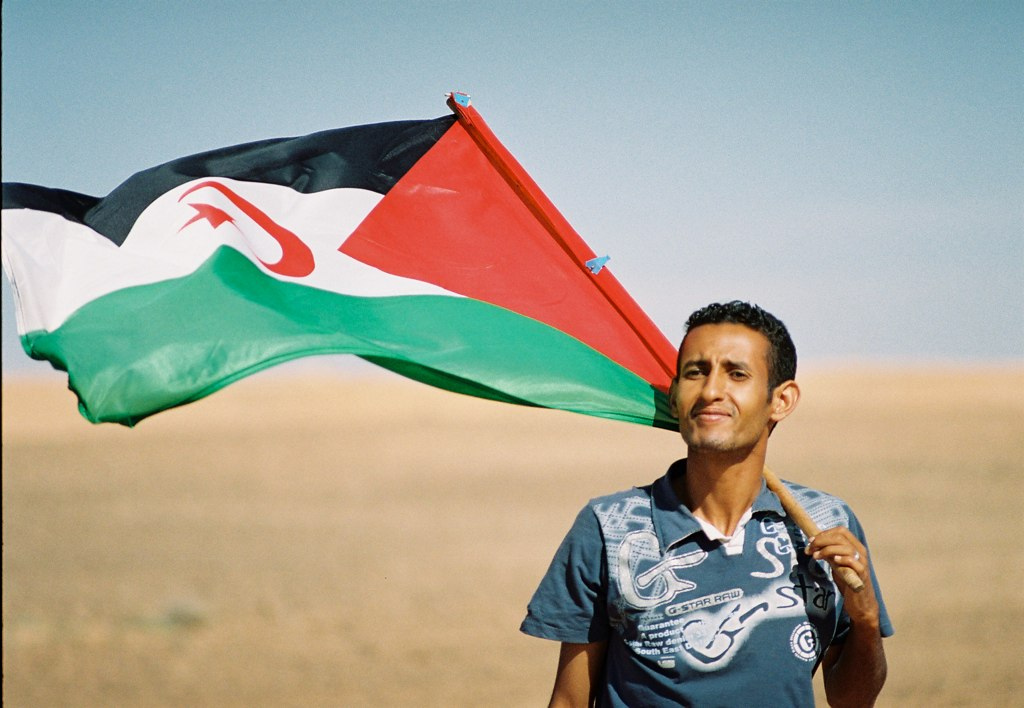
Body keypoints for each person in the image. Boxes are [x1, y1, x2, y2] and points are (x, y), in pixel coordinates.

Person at [521, 301, 892, 707]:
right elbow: (570, 700)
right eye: (696, 372)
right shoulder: (610, 528)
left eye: (737, 374)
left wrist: (866, 621)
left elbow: (851, 701)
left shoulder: (826, 524)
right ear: (677, 394)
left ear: (781, 400)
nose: (711, 391)